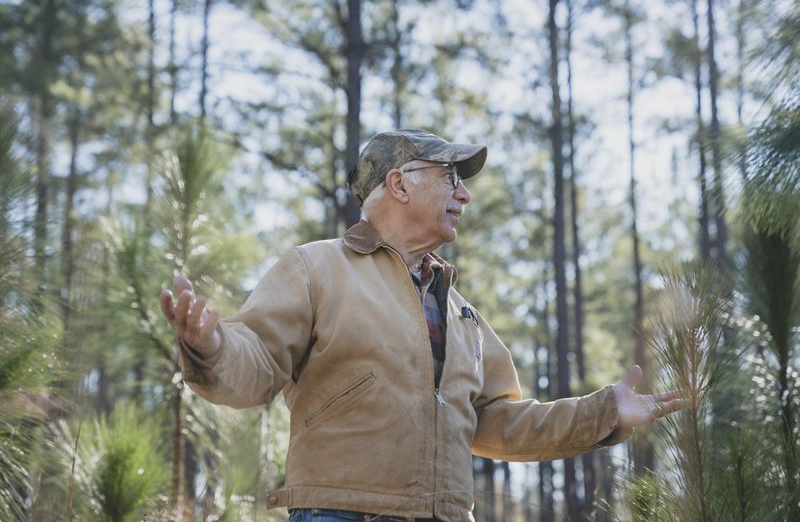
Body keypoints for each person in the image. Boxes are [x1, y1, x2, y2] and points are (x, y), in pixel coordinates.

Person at [160, 129, 686, 522]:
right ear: (399, 184)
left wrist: (603, 412)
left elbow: (497, 423)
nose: (465, 195)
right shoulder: (315, 269)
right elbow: (253, 361)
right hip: (342, 515)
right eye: (451, 178)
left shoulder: (460, 313)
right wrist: (211, 345)